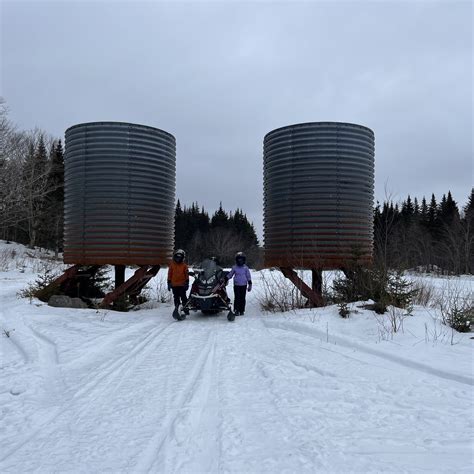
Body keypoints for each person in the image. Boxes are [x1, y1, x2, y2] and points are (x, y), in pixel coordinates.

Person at [168, 249, 189, 316]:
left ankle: (186, 309)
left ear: (182, 258)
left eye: (180, 257)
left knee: (183, 297)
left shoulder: (184, 266)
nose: (178, 259)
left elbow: (187, 274)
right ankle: (177, 308)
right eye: (177, 257)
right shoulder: (172, 265)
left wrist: (187, 283)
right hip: (174, 285)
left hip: (182, 284)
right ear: (175, 257)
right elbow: (169, 274)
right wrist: (168, 282)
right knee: (176, 297)